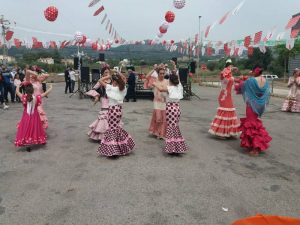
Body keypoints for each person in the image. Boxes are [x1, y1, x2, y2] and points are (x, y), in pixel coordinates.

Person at [235, 66, 272, 156]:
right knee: (255, 125)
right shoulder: (265, 81)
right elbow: (267, 93)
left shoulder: (251, 80)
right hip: (259, 105)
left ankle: (255, 149)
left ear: (255, 71)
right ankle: (256, 145)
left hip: (251, 105)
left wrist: (240, 80)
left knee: (251, 125)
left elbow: (241, 86)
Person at [97, 70, 135, 157]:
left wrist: (108, 76)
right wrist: (118, 73)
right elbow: (124, 78)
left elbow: (100, 81)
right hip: (119, 110)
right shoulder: (123, 88)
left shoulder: (111, 88)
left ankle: (113, 150)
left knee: (112, 129)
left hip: (112, 110)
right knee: (117, 128)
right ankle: (120, 147)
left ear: (114, 81)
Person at [153, 71, 188, 154]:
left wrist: (155, 83)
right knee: (175, 127)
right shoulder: (179, 87)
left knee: (170, 127)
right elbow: (178, 80)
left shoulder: (170, 88)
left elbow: (161, 89)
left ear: (171, 81)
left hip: (170, 108)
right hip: (177, 108)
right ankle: (177, 146)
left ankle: (172, 147)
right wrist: (175, 69)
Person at [14, 82, 53, 152]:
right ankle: (41, 140)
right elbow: (45, 93)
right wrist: (50, 87)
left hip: (26, 115)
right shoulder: (37, 97)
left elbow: (17, 92)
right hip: (35, 115)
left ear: (25, 91)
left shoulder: (24, 97)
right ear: (33, 91)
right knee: (36, 128)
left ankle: (28, 143)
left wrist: (18, 86)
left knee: (26, 128)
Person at [208, 59, 240, 138]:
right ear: (227, 66)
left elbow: (234, 80)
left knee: (230, 113)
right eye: (229, 66)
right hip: (223, 96)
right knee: (225, 112)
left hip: (228, 96)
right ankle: (220, 132)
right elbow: (224, 74)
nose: (231, 67)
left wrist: (243, 79)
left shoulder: (230, 76)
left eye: (231, 66)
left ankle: (229, 132)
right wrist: (230, 69)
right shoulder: (223, 74)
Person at [86, 66, 111, 141]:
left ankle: (110, 135)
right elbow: (93, 89)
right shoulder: (100, 81)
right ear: (102, 73)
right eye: (105, 72)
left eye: (108, 72)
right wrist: (97, 97)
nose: (107, 73)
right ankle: (101, 136)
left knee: (111, 116)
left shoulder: (112, 80)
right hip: (104, 99)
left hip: (112, 100)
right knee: (104, 116)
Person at [145, 65, 168, 139]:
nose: (162, 75)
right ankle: (156, 132)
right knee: (158, 118)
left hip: (164, 102)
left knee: (163, 118)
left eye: (163, 73)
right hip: (157, 102)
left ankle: (162, 133)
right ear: (158, 74)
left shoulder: (167, 81)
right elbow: (147, 77)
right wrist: (154, 69)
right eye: (160, 73)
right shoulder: (155, 81)